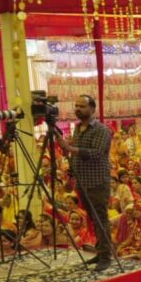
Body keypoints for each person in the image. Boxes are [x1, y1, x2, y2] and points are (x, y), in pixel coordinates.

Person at [55, 94, 114, 271]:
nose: (78, 109)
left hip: (97, 182)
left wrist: (70, 148)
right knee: (92, 220)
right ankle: (100, 251)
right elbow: (75, 157)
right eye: (76, 106)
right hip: (82, 182)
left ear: (92, 109)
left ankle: (106, 256)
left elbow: (97, 153)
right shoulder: (78, 129)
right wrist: (70, 176)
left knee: (101, 219)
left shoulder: (101, 130)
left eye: (82, 106)